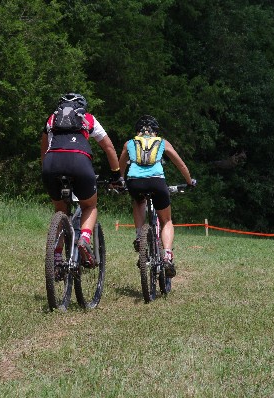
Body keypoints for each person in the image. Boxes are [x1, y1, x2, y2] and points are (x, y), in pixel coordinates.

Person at [41, 93, 123, 267]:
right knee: (89, 205)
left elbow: (44, 148)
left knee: (60, 210)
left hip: (51, 163)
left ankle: (56, 255)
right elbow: (108, 147)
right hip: (79, 162)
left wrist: (47, 170)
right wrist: (116, 174)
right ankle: (84, 238)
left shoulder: (52, 119)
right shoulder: (88, 119)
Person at [118, 115, 196, 277]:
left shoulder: (130, 143)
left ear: (138, 131)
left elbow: (119, 168)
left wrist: (119, 182)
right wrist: (189, 181)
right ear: (155, 131)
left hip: (134, 182)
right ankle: (167, 255)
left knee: (138, 201)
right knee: (166, 220)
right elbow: (180, 164)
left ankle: (140, 236)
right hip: (157, 182)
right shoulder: (163, 142)